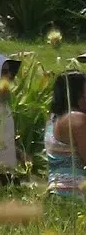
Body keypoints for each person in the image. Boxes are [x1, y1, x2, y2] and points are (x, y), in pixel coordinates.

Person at [45, 72, 86, 206]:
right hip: (75, 193)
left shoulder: (54, 117)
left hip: (58, 191)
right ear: (78, 94)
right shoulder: (76, 119)